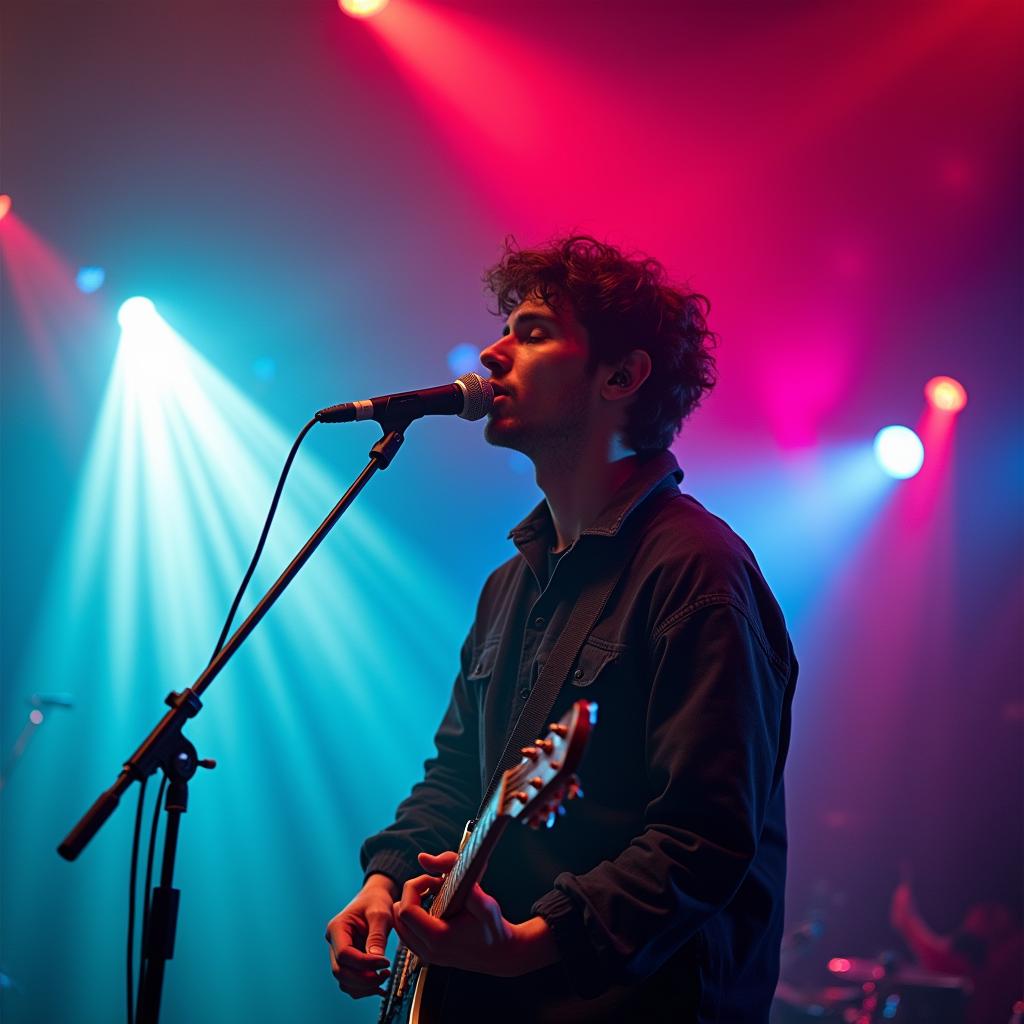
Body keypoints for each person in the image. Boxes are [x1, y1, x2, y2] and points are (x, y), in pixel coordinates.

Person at [326, 235, 798, 1022]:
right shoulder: (508, 586)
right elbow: (458, 778)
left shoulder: (698, 573)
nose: (492, 352)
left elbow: (702, 840)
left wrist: (526, 945)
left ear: (621, 376)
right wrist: (384, 880)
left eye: (534, 332)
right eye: (505, 330)